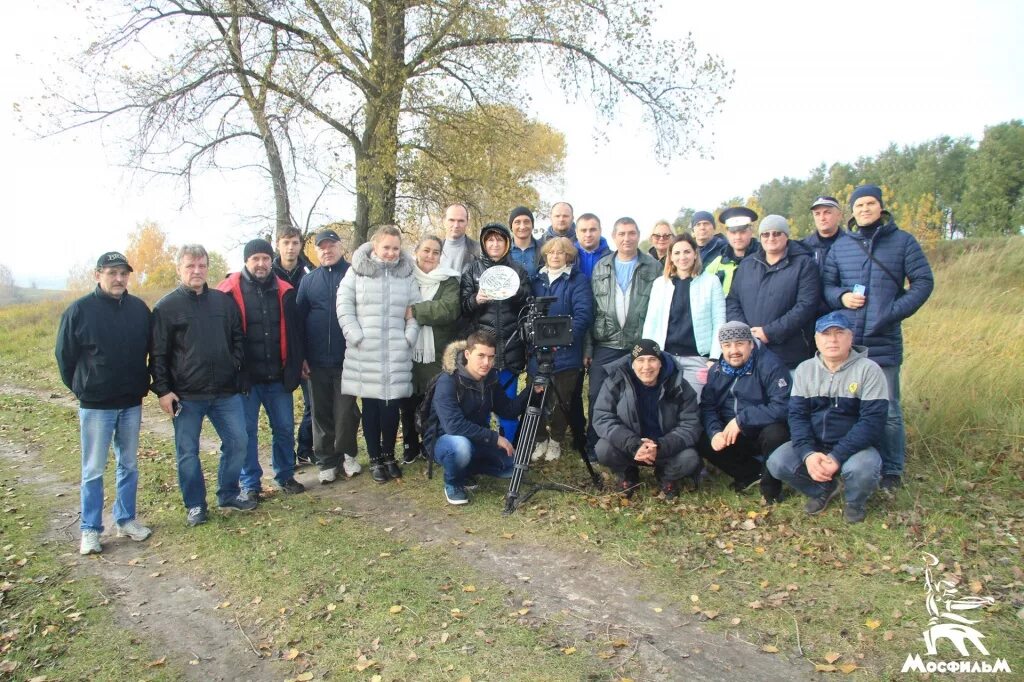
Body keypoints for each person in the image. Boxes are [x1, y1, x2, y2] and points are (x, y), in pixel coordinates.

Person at [823, 184, 934, 490]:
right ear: (852, 212)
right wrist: (843, 297)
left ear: (881, 207)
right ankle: (856, 463)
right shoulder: (842, 246)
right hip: (847, 342)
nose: (865, 209)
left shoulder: (902, 242)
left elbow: (923, 282)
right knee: (849, 405)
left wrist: (892, 311)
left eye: (870, 204)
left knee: (889, 409)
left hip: (883, 340)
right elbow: (827, 286)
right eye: (859, 205)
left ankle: (893, 470)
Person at [150, 244, 254, 526]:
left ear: (208, 268)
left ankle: (229, 492)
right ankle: (195, 505)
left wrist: (234, 366)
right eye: (190, 266)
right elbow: (158, 353)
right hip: (186, 395)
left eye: (201, 266)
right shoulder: (166, 307)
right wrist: (163, 390)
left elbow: (237, 338)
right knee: (187, 452)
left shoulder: (222, 302)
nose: (196, 271)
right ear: (179, 269)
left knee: (238, 442)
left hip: (224, 392)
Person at [56, 251, 153, 554]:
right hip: (96, 404)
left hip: (130, 402)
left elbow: (151, 349)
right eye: (112, 273)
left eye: (123, 273)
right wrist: (83, 388)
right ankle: (90, 529)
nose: (119, 279)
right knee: (94, 468)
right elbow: (65, 357)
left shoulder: (139, 309)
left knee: (128, 463)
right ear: (98, 275)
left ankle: (125, 519)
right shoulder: (80, 311)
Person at [766, 312, 888, 523]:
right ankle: (823, 488)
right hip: (816, 443)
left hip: (856, 447)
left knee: (863, 469)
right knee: (777, 463)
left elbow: (872, 422)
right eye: (825, 334)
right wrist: (808, 453)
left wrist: (837, 457)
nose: (832, 339)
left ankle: (854, 502)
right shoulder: (805, 370)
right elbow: (797, 416)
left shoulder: (870, 371)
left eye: (839, 333)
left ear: (850, 338)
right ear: (816, 340)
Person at [217, 238, 305, 498]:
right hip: (246, 379)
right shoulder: (228, 292)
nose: (261, 263)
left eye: (266, 258)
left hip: (278, 376)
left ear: (271, 260)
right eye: (255, 258)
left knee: (285, 428)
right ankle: (251, 484)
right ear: (246, 261)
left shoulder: (285, 291)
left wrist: (295, 366)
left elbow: (295, 333)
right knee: (247, 433)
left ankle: (285, 475)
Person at [337, 225, 420, 483]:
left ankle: (389, 455)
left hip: (396, 350)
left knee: (391, 406)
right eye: (386, 247)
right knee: (371, 406)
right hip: (366, 350)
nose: (391, 253)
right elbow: (344, 303)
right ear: (375, 247)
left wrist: (409, 337)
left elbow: (415, 310)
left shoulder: (407, 276)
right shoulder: (357, 272)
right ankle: (374, 457)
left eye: (396, 248)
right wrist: (355, 335)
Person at [423, 332, 531, 505]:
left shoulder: (490, 378)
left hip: (477, 439)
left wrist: (531, 390)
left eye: (491, 357)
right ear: (467, 354)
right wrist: (495, 438)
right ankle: (453, 483)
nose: (486, 363)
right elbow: (453, 426)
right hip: (445, 441)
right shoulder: (448, 380)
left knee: (511, 466)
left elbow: (508, 410)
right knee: (461, 447)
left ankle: (465, 469)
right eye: (480, 356)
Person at [584, 217, 660, 459]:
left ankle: (639, 445)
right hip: (605, 342)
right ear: (614, 237)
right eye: (622, 234)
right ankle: (593, 445)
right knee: (596, 394)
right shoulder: (602, 267)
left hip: (638, 344)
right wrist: (588, 348)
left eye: (631, 233)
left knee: (635, 397)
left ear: (638, 235)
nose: (626, 238)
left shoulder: (653, 267)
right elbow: (592, 309)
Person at [592, 339, 702, 500]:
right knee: (603, 449)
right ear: (632, 364)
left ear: (661, 363)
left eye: (652, 360)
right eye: (640, 360)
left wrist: (660, 446)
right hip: (630, 447)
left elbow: (690, 424)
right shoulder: (615, 382)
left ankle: (667, 476)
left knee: (690, 458)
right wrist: (634, 444)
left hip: (664, 448)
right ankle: (628, 474)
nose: (646, 367)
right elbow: (603, 417)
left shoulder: (680, 385)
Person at [295, 229, 362, 484]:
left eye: (331, 245)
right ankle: (326, 460)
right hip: (316, 361)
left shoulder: (354, 276)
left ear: (340, 247)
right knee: (321, 412)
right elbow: (299, 321)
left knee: (345, 411)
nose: (327, 250)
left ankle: (348, 454)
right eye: (322, 247)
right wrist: (301, 356)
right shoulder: (309, 281)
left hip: (349, 359)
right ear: (316, 251)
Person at [698, 321, 790, 502]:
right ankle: (750, 474)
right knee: (700, 434)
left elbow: (783, 406)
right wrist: (715, 432)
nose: (734, 350)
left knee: (776, 433)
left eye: (739, 343)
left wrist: (742, 420)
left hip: (761, 429)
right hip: (731, 433)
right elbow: (708, 407)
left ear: (750, 343)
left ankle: (771, 488)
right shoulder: (716, 370)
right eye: (727, 345)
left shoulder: (770, 365)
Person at [460, 222, 530, 442]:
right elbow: (462, 307)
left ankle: (509, 450)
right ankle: (479, 451)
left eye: (499, 239)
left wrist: (516, 292)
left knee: (508, 408)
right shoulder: (472, 270)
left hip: (511, 348)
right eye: (490, 239)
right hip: (482, 349)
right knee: (477, 407)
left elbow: (528, 304)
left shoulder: (518, 269)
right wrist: (475, 300)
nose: (495, 244)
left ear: (507, 242)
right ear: (483, 242)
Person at [528, 237, 594, 462]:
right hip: (538, 353)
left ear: (568, 256)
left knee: (562, 401)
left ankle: (556, 439)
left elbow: (583, 314)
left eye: (561, 252)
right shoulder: (535, 279)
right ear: (545, 255)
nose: (555, 256)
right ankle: (540, 439)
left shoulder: (578, 280)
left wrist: (560, 337)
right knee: (534, 398)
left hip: (566, 353)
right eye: (551, 252)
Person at [726, 215, 820, 370]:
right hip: (751, 352)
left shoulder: (804, 264)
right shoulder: (747, 264)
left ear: (786, 236)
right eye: (765, 234)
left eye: (777, 233)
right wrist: (745, 332)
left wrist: (769, 332)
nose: (771, 238)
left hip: (789, 354)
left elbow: (806, 306)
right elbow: (733, 301)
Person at [398, 236, 461, 464]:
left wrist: (414, 311)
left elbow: (448, 309)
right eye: (426, 250)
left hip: (436, 353)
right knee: (407, 399)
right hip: (407, 349)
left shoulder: (449, 280)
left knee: (432, 400)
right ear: (416, 251)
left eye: (435, 252)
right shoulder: (405, 276)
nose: (430, 256)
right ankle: (409, 445)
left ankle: (429, 443)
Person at [642, 233, 726, 398]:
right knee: (663, 408)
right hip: (666, 357)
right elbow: (651, 322)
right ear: (671, 257)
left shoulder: (711, 282)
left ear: (695, 254)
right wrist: (647, 355)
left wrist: (714, 358)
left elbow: (719, 321)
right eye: (677, 253)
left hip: (697, 359)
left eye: (687, 252)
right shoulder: (660, 284)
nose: (682, 257)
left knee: (691, 408)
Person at [272, 226, 316, 465]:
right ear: (278, 244)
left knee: (312, 405)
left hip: (306, 350)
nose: (291, 247)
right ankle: (284, 455)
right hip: (279, 351)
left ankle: (305, 448)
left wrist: (306, 355)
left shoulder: (309, 273)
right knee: (283, 412)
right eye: (286, 242)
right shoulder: (268, 272)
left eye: (295, 243)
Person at [704, 206, 761, 295]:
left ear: (751, 232)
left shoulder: (764, 258)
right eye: (733, 233)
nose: (738, 237)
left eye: (742, 232)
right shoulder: (717, 264)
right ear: (727, 233)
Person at [802, 196, 845, 277]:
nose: (822, 218)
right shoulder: (804, 248)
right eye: (817, 214)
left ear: (839, 215)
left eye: (827, 212)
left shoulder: (852, 245)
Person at [439, 203, 481, 272]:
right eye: (451, 220)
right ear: (444, 221)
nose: (456, 225)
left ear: (467, 222)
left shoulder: (479, 251)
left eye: (461, 221)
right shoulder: (433, 250)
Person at [508, 205, 541, 278]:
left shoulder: (544, 250)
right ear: (511, 226)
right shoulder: (503, 251)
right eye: (517, 222)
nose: (522, 227)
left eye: (526, 222)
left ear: (532, 225)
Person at [575, 212, 610, 279]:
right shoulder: (568, 258)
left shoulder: (613, 258)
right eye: (583, 230)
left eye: (593, 230)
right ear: (576, 233)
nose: (588, 235)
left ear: (600, 231)